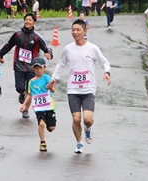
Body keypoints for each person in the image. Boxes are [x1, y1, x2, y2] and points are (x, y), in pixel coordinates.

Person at [47, 19, 111, 153]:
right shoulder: (68, 49)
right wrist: (53, 78)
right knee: (76, 119)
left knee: (87, 119)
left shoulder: (92, 48)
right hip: (73, 90)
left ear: (85, 31)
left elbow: (104, 62)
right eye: (73, 30)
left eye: (78, 30)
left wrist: (106, 72)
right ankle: (79, 142)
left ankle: (87, 129)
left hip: (88, 90)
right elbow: (61, 64)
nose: (75, 32)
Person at [0, 13, 53, 118]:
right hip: (19, 65)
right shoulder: (17, 34)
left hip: (32, 67)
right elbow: (8, 45)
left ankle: (25, 110)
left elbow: (46, 46)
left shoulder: (36, 36)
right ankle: (21, 94)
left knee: (30, 90)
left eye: (30, 20)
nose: (27, 22)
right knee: (20, 88)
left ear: (34, 22)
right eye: (26, 20)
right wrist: (0, 54)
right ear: (24, 21)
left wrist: (49, 52)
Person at [19, 57, 56, 152]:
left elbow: (53, 90)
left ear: (44, 67)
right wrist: (24, 105)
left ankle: (49, 122)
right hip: (38, 107)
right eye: (35, 68)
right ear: (32, 68)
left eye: (40, 68)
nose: (38, 70)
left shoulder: (47, 78)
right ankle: (42, 142)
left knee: (51, 127)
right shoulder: (31, 82)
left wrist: (50, 87)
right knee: (41, 124)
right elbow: (29, 94)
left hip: (49, 106)